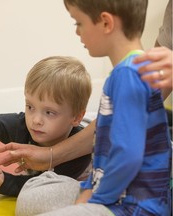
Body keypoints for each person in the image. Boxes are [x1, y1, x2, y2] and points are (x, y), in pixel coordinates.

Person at [14, 0, 172, 215]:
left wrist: (93, 200)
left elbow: (129, 157)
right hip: (110, 193)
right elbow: (105, 154)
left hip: (133, 207)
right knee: (33, 195)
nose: (78, 32)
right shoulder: (126, 72)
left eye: (79, 23)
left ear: (106, 23)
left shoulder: (129, 77)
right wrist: (88, 189)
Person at [0, 56, 92, 197]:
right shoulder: (22, 125)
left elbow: (44, 187)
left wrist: (5, 182)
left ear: (76, 117)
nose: (36, 120)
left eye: (49, 112)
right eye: (30, 107)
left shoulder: (80, 152)